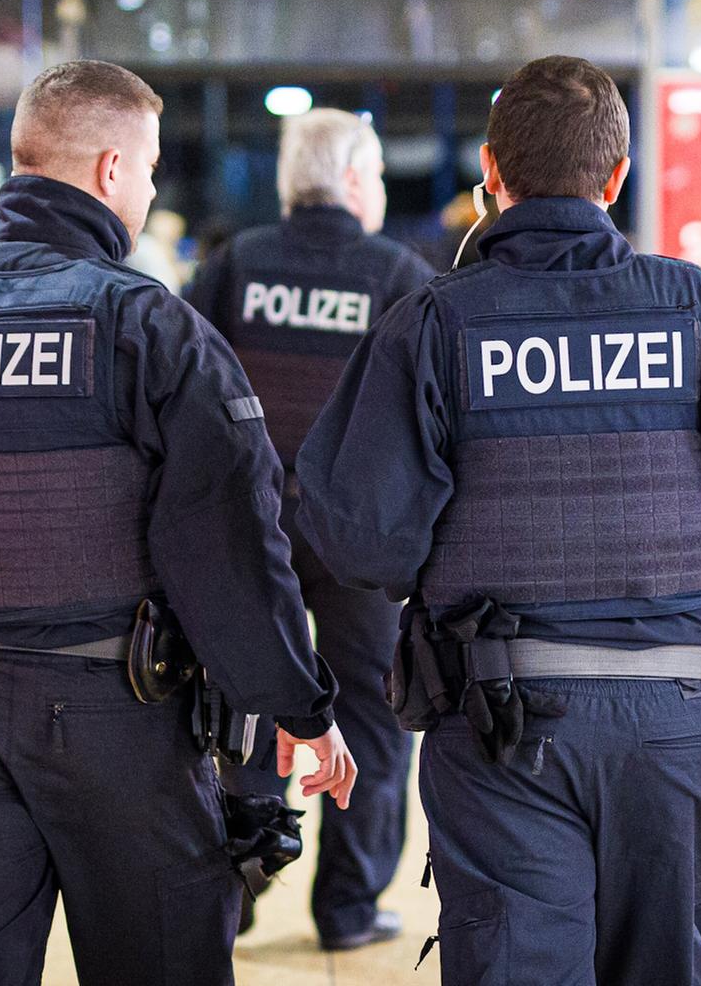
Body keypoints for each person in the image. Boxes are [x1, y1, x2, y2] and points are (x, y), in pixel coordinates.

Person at [294, 55, 701, 986]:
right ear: (617, 177)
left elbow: (356, 536)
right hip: (676, 726)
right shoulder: (696, 308)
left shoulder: (438, 322)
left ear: (491, 174)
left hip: (502, 725)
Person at [0, 60, 357, 986]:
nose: (155, 188)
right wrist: (299, 707)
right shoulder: (145, 326)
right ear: (112, 170)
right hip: (115, 715)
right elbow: (229, 547)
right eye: (153, 167)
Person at [185, 108, 435, 950]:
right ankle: (349, 906)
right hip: (358, 537)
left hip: (248, 528)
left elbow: (186, 394)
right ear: (358, 181)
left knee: (250, 695)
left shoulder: (235, 267)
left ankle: (241, 882)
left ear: (294, 182)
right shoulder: (398, 275)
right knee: (371, 708)